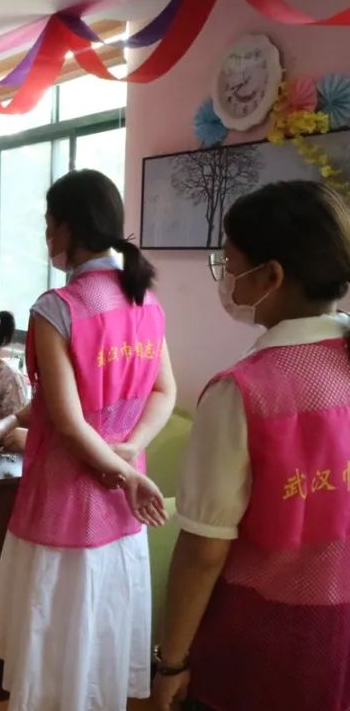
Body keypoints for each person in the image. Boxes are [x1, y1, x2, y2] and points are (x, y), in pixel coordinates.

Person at [0, 170, 176, 711]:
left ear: (67, 228)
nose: (47, 236)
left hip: (65, 498)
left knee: (56, 629)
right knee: (104, 625)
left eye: (49, 224)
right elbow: (165, 391)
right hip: (124, 501)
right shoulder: (144, 298)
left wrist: (122, 467)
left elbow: (67, 422)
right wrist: (129, 456)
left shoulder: (57, 306)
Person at [152, 182, 350, 711]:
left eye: (229, 259)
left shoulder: (244, 391)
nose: (224, 273)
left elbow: (203, 552)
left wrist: (172, 660)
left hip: (264, 641)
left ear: (271, 276)